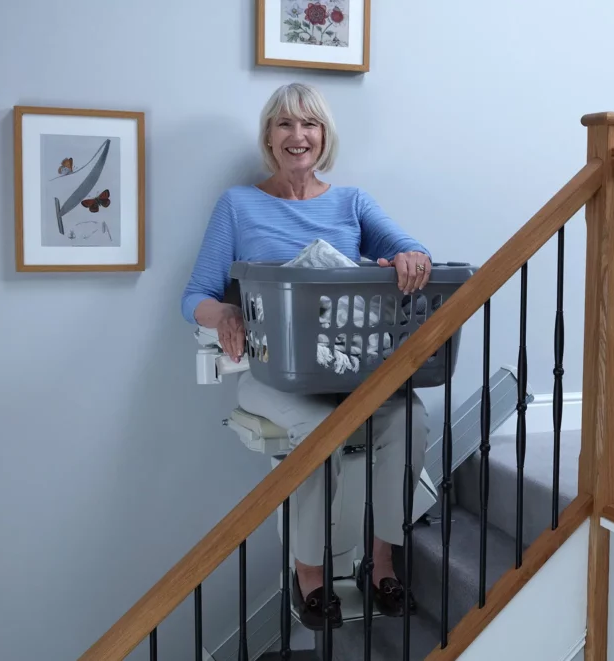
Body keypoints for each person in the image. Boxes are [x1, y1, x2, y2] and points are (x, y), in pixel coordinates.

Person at [180, 82, 431, 630]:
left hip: (348, 369)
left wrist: (410, 257)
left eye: (310, 124)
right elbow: (194, 295)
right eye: (286, 125)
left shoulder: (352, 202)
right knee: (322, 431)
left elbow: (412, 251)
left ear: (325, 135)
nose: (299, 136)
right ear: (269, 137)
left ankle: (380, 562)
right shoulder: (239, 205)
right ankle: (309, 576)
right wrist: (223, 315)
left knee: (410, 418)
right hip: (273, 373)